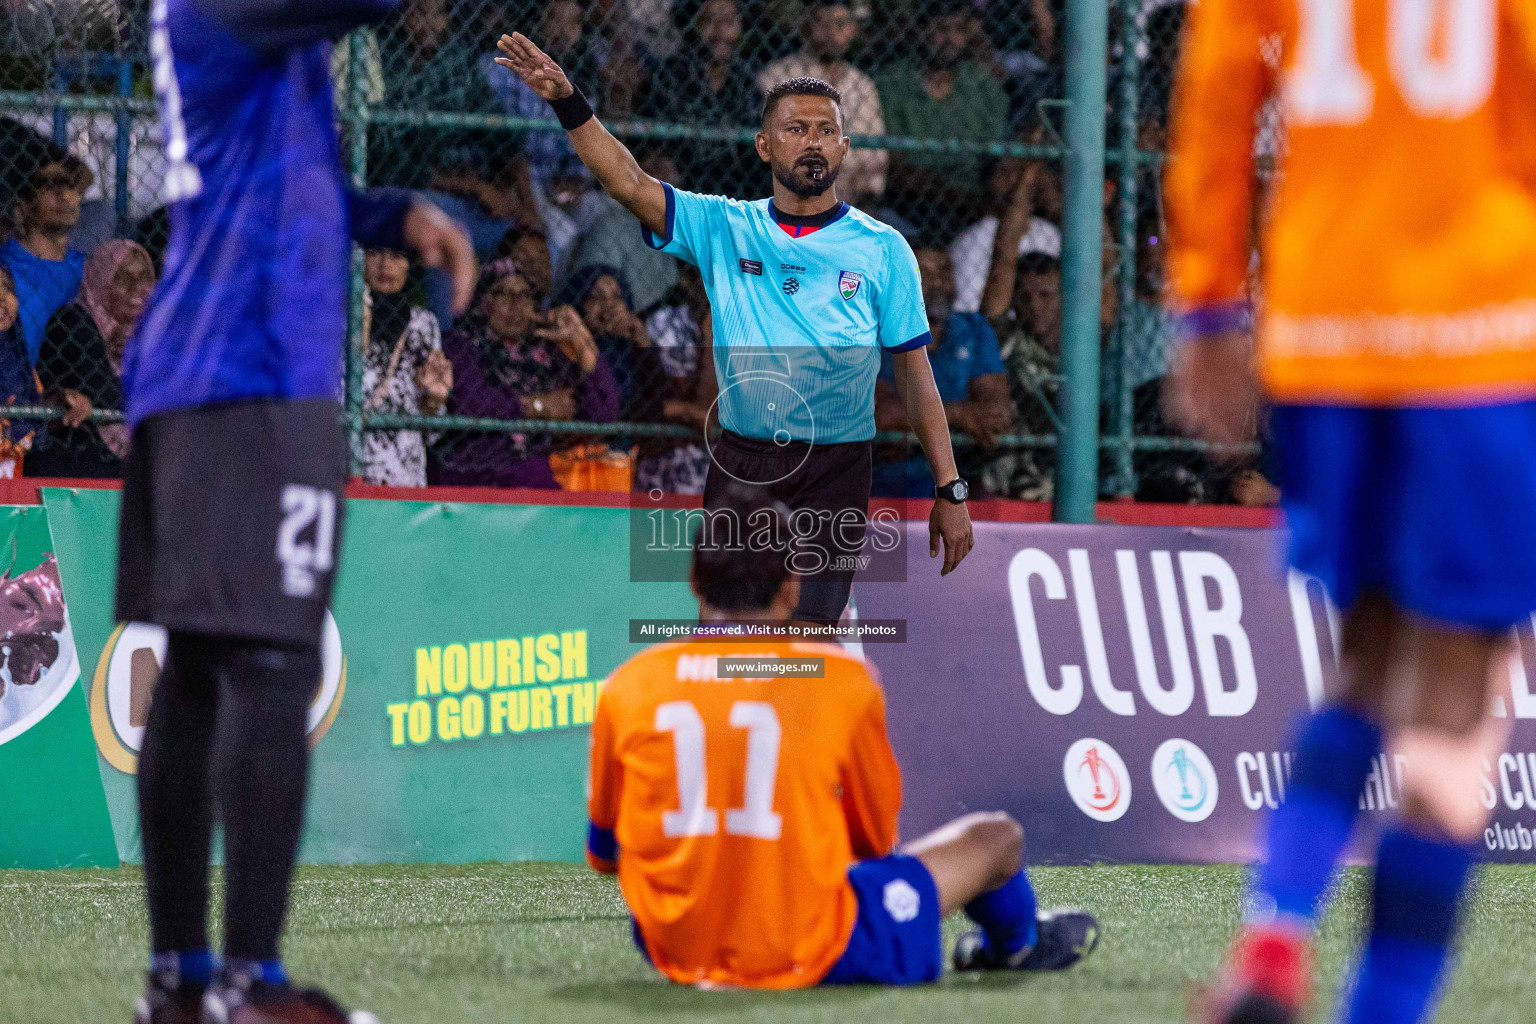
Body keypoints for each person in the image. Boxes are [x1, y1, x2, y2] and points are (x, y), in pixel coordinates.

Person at [1164, 2, 1536, 1023]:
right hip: (1481, 333)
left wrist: (1204, 310)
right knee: (1458, 714)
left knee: (1366, 656)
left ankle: (1276, 935)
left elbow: (1216, 100)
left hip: (1329, 330)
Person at [123, 3, 474, 1024]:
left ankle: (184, 983)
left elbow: (284, 187)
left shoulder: (257, 35)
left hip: (196, 373)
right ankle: (252, 986)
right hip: (259, 374)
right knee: (274, 663)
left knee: (195, 671)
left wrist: (389, 215)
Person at [496, 32, 975, 628]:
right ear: (764, 146)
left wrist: (949, 487)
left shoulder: (884, 249)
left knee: (808, 648)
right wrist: (569, 100)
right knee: (731, 641)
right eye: (796, 129)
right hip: (743, 464)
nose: (813, 142)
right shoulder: (726, 226)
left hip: (837, 470)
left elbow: (914, 372)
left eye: (826, 130)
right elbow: (627, 182)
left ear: (846, 148)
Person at [586, 480, 1101, 988]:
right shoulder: (839, 680)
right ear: (791, 588)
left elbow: (604, 856)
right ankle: (1017, 947)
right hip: (812, 945)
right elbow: (874, 841)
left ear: (695, 583)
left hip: (675, 945)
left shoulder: (628, 685)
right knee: (997, 837)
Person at [436, 259, 618, 489]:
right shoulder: (458, 345)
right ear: (483, 299)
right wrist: (538, 406)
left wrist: (583, 345)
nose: (516, 305)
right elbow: (473, 403)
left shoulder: (547, 353)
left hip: (539, 479)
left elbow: (602, 414)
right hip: (474, 476)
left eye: (524, 295)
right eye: (503, 293)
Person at [872, 246, 1009, 498]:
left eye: (945, 271)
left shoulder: (974, 328)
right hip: (886, 485)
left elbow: (996, 410)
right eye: (922, 272)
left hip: (958, 482)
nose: (937, 283)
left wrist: (917, 422)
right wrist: (960, 415)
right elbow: (885, 417)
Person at [875, 0, 1011, 241]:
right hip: (906, 206)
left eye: (958, 30)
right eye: (941, 29)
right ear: (921, 31)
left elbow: (999, 158)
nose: (949, 39)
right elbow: (894, 165)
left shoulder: (983, 87)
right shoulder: (892, 83)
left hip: (974, 207)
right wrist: (949, 193)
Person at [30, 240, 154, 479]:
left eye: (144, 277)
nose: (136, 287)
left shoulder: (152, 334)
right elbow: (105, 393)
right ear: (101, 279)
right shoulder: (73, 321)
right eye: (122, 277)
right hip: (74, 464)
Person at [756, 2, 888, 210]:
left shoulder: (862, 84)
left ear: (853, 30)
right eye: (822, 23)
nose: (831, 33)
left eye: (840, 24)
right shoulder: (777, 76)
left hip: (854, 203)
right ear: (806, 27)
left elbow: (876, 159)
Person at [641, 0, 761, 199]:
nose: (720, 32)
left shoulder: (745, 82)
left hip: (736, 192)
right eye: (709, 21)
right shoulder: (669, 76)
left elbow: (752, 157)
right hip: (682, 191)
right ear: (693, 26)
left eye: (729, 22)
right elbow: (653, 152)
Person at [355, 248, 453, 487]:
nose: (385, 265)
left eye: (397, 255)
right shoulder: (337, 317)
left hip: (405, 479)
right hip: (350, 475)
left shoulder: (423, 323)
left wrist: (434, 401)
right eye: (375, 253)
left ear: (410, 265)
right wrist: (359, 343)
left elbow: (433, 433)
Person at [0, 148, 90, 363]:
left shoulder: (90, 268)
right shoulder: (5, 267)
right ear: (23, 205)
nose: (62, 194)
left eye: (69, 184)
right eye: (48, 184)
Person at [569, 147, 683, 316]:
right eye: (651, 170)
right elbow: (595, 295)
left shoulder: (672, 231)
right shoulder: (613, 224)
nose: (659, 177)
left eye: (665, 172)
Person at [0, 263, 43, 472]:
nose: (2, 297)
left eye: (8, 288)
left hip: (12, 487)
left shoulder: (22, 368)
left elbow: (37, 426)